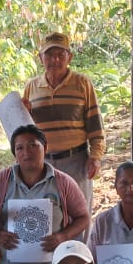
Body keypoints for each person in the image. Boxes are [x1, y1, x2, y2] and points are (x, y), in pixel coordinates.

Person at [0, 123, 90, 264]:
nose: (26, 152)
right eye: (19, 148)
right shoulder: (0, 181)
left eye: (33, 145)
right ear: (14, 154)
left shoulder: (63, 182)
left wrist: (63, 236)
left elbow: (83, 218)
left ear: (45, 148)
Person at [21, 32, 106, 209]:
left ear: (70, 57)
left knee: (78, 213)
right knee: (46, 214)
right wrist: (25, 113)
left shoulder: (82, 83)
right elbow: (25, 129)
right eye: (49, 55)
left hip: (76, 161)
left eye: (61, 54)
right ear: (40, 58)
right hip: (42, 163)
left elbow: (95, 125)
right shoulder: (31, 87)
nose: (55, 60)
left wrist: (95, 157)